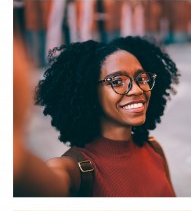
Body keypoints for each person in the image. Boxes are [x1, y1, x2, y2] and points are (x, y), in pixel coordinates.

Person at [16, 36, 180, 197]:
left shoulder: (154, 149)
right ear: (90, 93)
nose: (137, 89)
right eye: (117, 82)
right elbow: (34, 180)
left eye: (141, 78)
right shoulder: (74, 170)